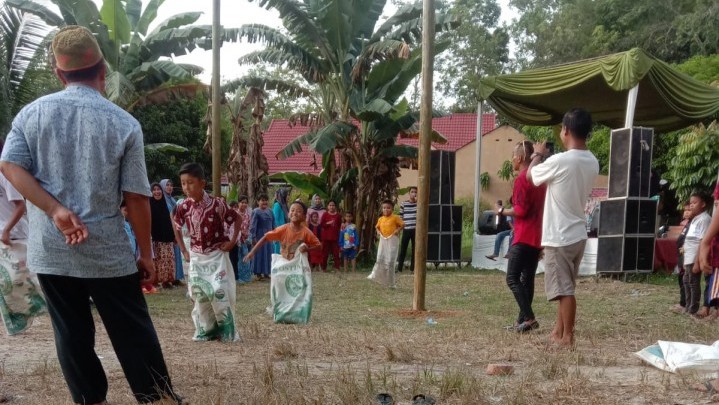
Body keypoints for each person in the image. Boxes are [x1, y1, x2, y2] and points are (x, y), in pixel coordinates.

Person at [0, 25, 179, 404]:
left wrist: (54, 209)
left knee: (71, 332)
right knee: (132, 329)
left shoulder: (30, 115)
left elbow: (10, 165)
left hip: (51, 248)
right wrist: (145, 254)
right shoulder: (123, 123)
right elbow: (136, 197)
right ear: (103, 69)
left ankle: (89, 400)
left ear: (59, 73)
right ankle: (157, 397)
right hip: (107, 252)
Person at [527, 108, 598, 349]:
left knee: (564, 289)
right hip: (578, 233)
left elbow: (531, 176)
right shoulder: (592, 160)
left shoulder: (561, 160)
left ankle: (567, 338)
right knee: (565, 287)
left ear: (566, 130)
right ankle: (558, 332)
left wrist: (537, 154)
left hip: (560, 234)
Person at [172, 163, 240, 342]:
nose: (187, 188)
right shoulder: (183, 206)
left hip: (217, 256)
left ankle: (226, 331)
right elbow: (176, 226)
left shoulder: (218, 204)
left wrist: (232, 242)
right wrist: (184, 250)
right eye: (183, 183)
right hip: (196, 256)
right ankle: (206, 330)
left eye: (191, 183)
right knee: (200, 294)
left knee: (219, 292)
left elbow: (237, 218)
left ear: (202, 183)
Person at [497, 141, 546, 333]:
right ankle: (522, 321)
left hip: (524, 235)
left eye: (513, 157)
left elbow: (521, 210)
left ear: (518, 158)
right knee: (527, 279)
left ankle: (529, 317)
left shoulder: (521, 179)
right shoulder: (540, 180)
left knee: (512, 278)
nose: (512, 160)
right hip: (536, 236)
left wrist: (501, 211)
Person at [245, 201, 321, 262]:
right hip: (284, 263)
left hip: (299, 264)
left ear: (304, 217)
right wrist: (252, 252)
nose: (294, 213)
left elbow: (319, 246)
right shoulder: (282, 229)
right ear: (288, 214)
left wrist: (307, 249)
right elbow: (265, 238)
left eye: (298, 211)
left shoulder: (306, 232)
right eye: (292, 210)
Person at [682, 190, 711, 317]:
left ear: (703, 204)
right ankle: (688, 307)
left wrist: (698, 261)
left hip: (694, 258)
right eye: (691, 203)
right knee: (686, 281)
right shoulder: (694, 219)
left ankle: (693, 309)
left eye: (695, 202)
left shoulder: (704, 219)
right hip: (688, 258)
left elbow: (702, 241)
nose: (692, 205)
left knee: (693, 283)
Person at [368, 200, 404, 288]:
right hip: (383, 240)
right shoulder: (380, 219)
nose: (386, 210)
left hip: (392, 240)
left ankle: (391, 283)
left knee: (390, 261)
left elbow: (402, 225)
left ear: (392, 209)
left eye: (388, 208)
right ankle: (375, 275)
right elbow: (377, 227)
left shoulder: (395, 217)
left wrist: (397, 231)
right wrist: (378, 232)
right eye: (384, 208)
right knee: (380, 257)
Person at [149, 183, 177, 289]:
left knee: (168, 259)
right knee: (157, 260)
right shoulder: (149, 205)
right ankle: (155, 281)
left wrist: (174, 235)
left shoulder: (165, 204)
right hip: (155, 239)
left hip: (167, 238)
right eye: (154, 190)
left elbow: (169, 222)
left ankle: (167, 281)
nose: (157, 192)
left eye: (159, 189)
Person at [160, 179, 184, 285]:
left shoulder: (172, 200)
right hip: (168, 231)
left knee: (176, 254)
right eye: (167, 185)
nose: (169, 187)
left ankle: (176, 277)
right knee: (169, 256)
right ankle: (169, 279)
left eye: (171, 185)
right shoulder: (162, 201)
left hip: (176, 229)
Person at [671, 204, 692, 313]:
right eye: (685, 210)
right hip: (681, 255)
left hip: (687, 255)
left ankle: (685, 304)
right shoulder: (687, 224)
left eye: (689, 210)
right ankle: (682, 302)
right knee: (681, 279)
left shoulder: (693, 223)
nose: (686, 212)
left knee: (686, 280)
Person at [250, 194, 275, 280]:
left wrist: (276, 234)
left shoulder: (270, 211)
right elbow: (253, 226)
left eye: (266, 200)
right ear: (258, 202)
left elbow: (274, 224)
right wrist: (253, 237)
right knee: (259, 254)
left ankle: (266, 273)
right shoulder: (256, 211)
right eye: (262, 200)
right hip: (259, 236)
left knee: (268, 254)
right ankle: (258, 273)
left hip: (269, 236)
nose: (264, 202)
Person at [397, 186, 417, 273]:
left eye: (415, 192)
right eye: (412, 191)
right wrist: (400, 228)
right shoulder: (404, 204)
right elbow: (400, 217)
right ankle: (399, 268)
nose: (414, 193)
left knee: (415, 250)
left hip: (416, 230)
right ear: (409, 193)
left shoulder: (419, 204)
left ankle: (412, 269)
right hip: (406, 229)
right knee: (403, 249)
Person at [234, 195, 253, 283]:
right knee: (237, 258)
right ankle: (237, 277)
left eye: (245, 203)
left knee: (245, 257)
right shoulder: (235, 214)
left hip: (245, 240)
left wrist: (248, 236)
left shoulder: (248, 215)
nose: (244, 204)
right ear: (238, 203)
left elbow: (249, 227)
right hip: (236, 240)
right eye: (242, 202)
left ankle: (246, 277)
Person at [320, 200, 342, 271]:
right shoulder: (325, 214)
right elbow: (322, 225)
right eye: (330, 205)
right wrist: (328, 223)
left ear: (335, 207)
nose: (331, 207)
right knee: (325, 254)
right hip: (326, 237)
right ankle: (324, 268)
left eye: (333, 205)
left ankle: (337, 268)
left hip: (335, 237)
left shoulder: (338, 215)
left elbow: (339, 226)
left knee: (336, 253)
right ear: (327, 206)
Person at [272, 188, 290, 254]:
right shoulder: (277, 205)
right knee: (278, 252)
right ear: (283, 195)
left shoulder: (285, 206)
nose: (288, 197)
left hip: (285, 231)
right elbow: (275, 219)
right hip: (279, 232)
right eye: (287, 195)